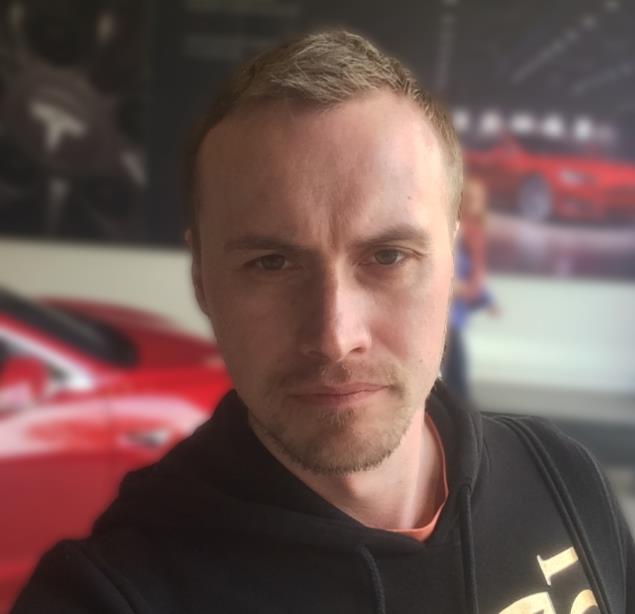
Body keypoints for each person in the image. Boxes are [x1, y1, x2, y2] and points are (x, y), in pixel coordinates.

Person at [12, 29, 633, 614]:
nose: (335, 336)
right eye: (271, 263)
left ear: (454, 260)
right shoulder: (108, 594)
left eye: (388, 257)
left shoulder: (561, 475)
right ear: (202, 279)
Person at [442, 176, 498, 404]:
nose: (475, 204)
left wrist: (487, 299)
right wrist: (452, 286)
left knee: (453, 359)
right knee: (453, 359)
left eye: (479, 200)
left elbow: (474, 275)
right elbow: (453, 268)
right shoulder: (454, 232)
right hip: (446, 312)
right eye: (470, 198)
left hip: (456, 312)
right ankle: (459, 402)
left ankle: (458, 400)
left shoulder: (474, 234)